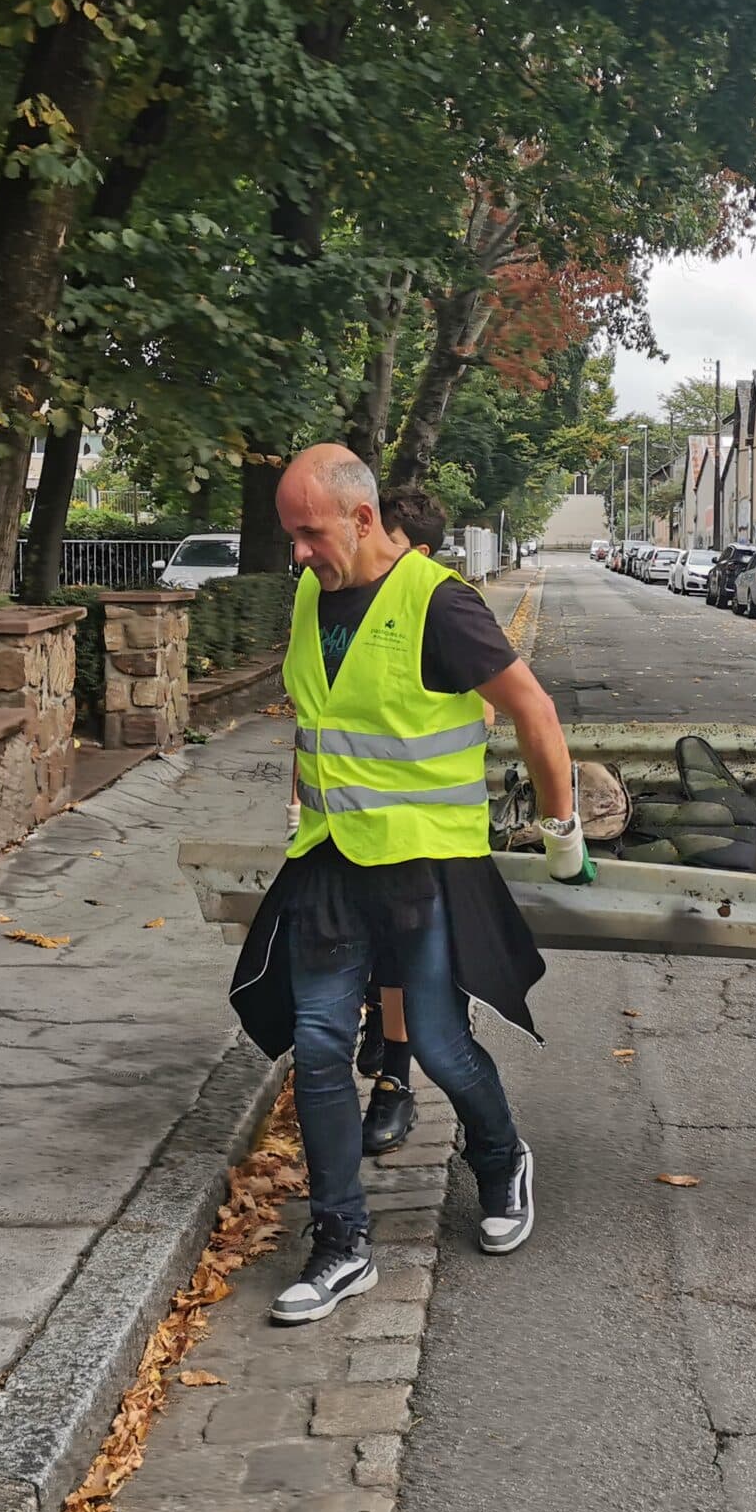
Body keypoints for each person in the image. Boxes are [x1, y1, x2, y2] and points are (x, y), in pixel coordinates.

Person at [233, 445, 592, 1324]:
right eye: (291, 536)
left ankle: (500, 1154)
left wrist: (562, 832)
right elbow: (318, 724)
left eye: (310, 533)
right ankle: (341, 1242)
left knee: (434, 1039)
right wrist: (295, 809)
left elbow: (534, 712)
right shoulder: (314, 598)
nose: (300, 553)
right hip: (329, 859)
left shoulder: (440, 606)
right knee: (319, 1044)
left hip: (424, 865)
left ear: (362, 519)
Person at [346, 482, 469, 1154]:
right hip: (351, 820)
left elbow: (488, 706)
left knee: (398, 954)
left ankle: (396, 1078)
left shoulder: (437, 607)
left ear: (416, 553)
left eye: (382, 543)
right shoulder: (347, 604)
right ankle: (379, 1024)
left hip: (418, 827)